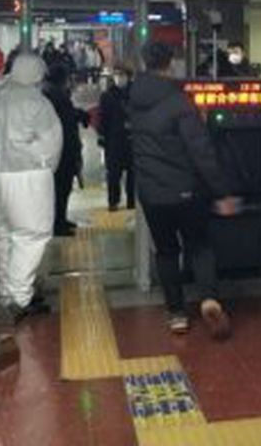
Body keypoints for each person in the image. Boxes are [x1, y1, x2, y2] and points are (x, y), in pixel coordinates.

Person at [129, 42, 238, 338]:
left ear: (145, 63)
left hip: (151, 192)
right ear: (171, 63)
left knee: (165, 251)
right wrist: (221, 192)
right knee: (199, 245)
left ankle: (176, 313)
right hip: (186, 190)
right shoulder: (180, 102)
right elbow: (202, 153)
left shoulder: (133, 98)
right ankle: (209, 299)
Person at [0, 53, 62, 323]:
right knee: (32, 235)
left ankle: (4, 294)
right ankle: (19, 296)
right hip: (29, 177)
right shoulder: (37, 103)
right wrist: (45, 165)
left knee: (4, 236)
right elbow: (51, 145)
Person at [43, 64, 87, 237]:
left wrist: (79, 115)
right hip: (62, 150)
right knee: (61, 188)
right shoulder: (57, 95)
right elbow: (66, 120)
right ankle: (58, 223)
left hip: (61, 148)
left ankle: (60, 220)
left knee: (61, 189)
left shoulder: (52, 93)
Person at [98, 64, 136, 211]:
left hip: (133, 140)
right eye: (116, 75)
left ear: (128, 76)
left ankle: (132, 201)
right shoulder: (107, 96)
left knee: (133, 174)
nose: (119, 78)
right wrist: (102, 136)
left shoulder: (136, 94)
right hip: (114, 140)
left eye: (122, 75)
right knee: (113, 174)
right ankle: (113, 201)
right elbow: (103, 118)